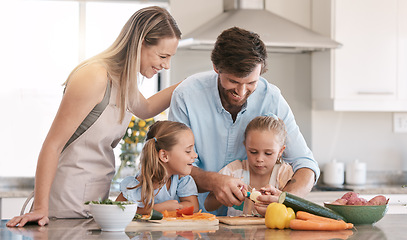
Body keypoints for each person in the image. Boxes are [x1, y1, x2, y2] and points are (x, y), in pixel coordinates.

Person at [7, 6, 182, 227]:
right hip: (64, 206)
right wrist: (41, 207)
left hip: (91, 206)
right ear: (140, 43)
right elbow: (53, 144)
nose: (166, 65)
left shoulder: (123, 81)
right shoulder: (95, 75)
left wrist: (193, 82)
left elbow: (146, 108)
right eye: (162, 56)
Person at [168, 27, 320, 215]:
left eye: (251, 83)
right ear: (216, 67)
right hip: (194, 217)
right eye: (233, 81)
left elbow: (306, 164)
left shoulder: (271, 98)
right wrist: (214, 181)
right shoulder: (186, 95)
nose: (241, 92)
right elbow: (173, 163)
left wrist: (282, 201)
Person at [204, 116, 293, 216]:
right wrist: (226, 193)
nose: (259, 159)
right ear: (245, 146)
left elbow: (295, 209)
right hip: (234, 231)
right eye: (253, 152)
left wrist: (279, 202)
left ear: (281, 151)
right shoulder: (234, 170)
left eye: (268, 153)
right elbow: (208, 205)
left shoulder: (284, 173)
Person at [116, 121, 199, 214]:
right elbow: (116, 209)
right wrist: (154, 210)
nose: (195, 155)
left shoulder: (182, 180)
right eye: (188, 151)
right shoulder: (137, 185)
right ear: (164, 156)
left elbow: (194, 207)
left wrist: (176, 207)